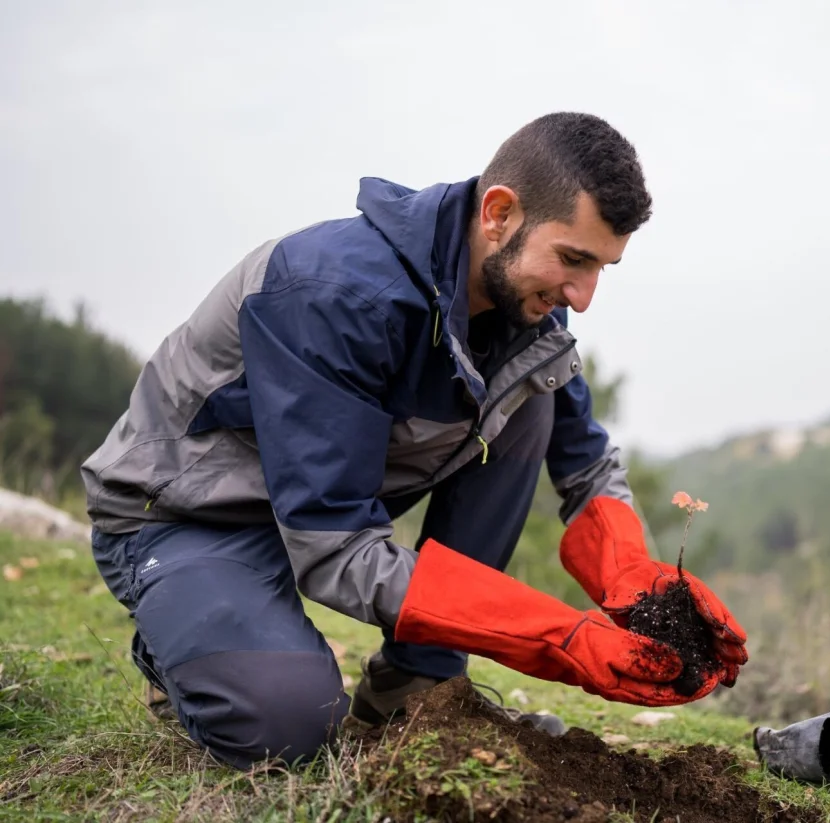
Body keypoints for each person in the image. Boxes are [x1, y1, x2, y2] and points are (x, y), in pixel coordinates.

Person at [80, 112, 748, 771]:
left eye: (602, 267)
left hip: (319, 510)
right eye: (573, 259)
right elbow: (335, 547)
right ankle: (178, 642)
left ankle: (417, 682)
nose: (582, 295)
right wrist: (558, 636)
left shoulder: (527, 309)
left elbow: (586, 463)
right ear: (498, 214)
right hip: (188, 518)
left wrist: (635, 581)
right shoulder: (335, 294)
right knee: (289, 727)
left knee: (531, 399)